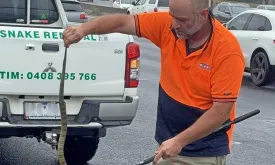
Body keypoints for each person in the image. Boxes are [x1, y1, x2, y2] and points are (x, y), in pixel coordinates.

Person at [62, 0, 245, 164]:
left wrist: (179, 141)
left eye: (181, 20)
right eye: (172, 16)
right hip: (169, 145)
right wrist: (83, 30)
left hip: (202, 153)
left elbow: (221, 111)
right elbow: (122, 22)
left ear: (203, 15)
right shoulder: (168, 26)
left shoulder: (226, 51)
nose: (174, 24)